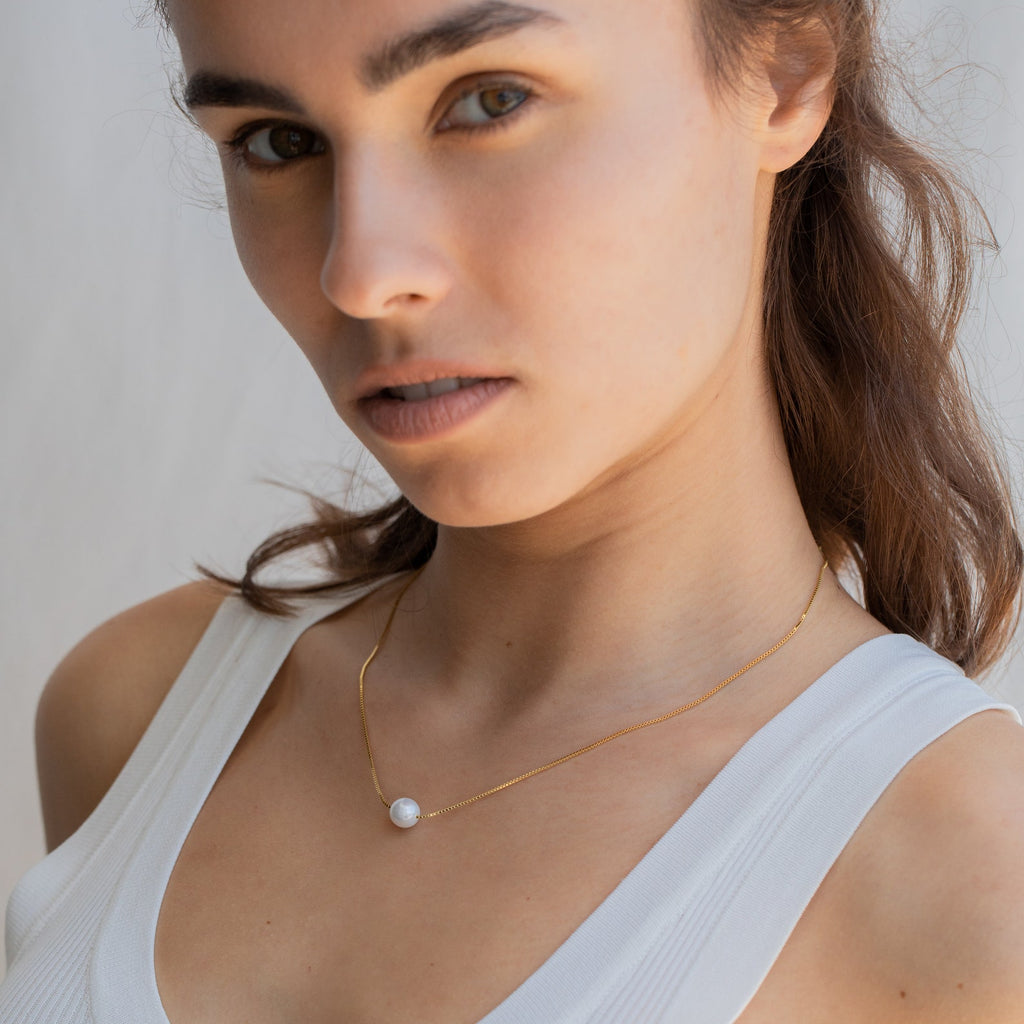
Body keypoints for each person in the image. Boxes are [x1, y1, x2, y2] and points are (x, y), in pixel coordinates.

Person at [3, 0, 1024, 1020]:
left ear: (785, 75)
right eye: (277, 142)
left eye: (489, 102)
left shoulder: (973, 895)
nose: (362, 275)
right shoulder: (135, 714)